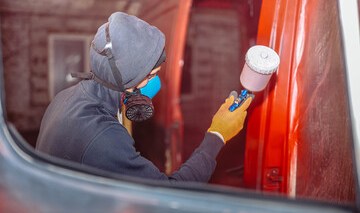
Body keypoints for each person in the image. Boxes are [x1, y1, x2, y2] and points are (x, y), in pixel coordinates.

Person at [36, 12, 251, 182]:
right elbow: (167, 196)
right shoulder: (104, 136)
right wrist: (217, 135)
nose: (156, 83)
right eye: (153, 75)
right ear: (130, 78)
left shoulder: (65, 97)